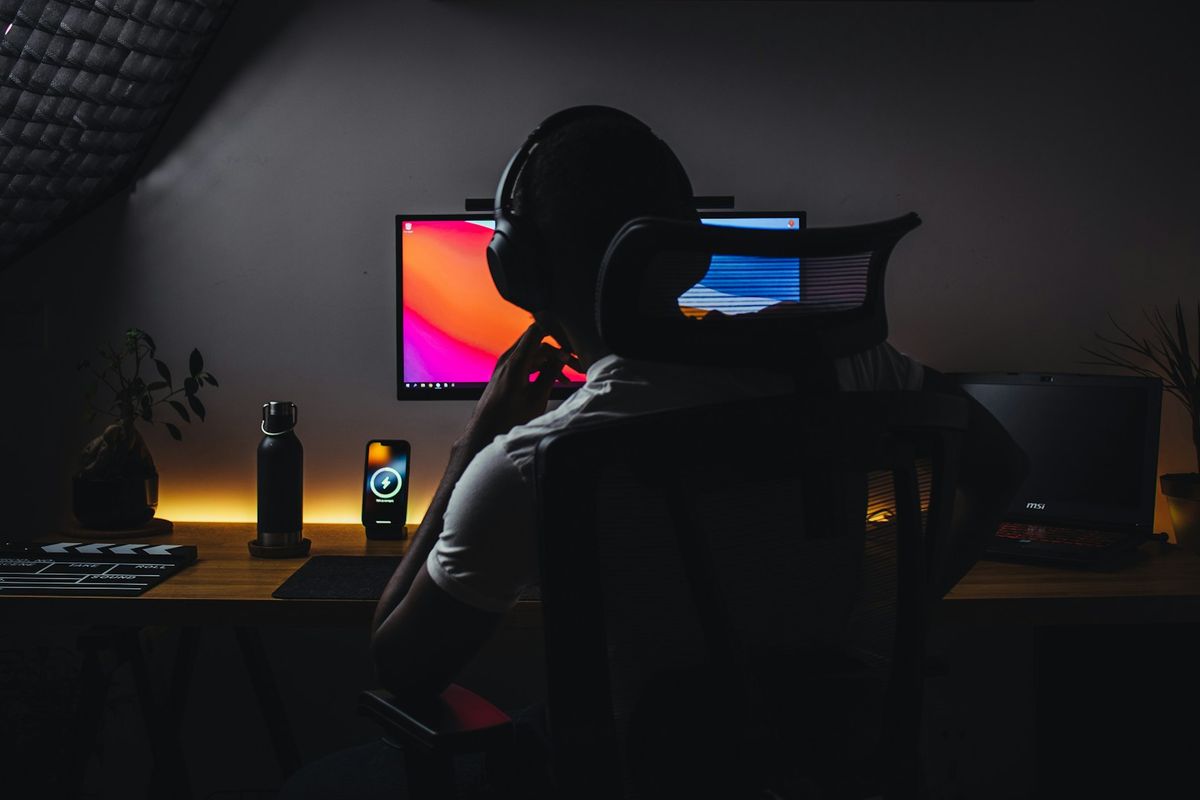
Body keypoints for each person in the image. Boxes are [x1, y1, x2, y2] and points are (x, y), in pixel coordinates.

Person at [283, 106, 1026, 798]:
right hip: (838, 753)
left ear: (517, 269)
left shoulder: (533, 461)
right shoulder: (858, 365)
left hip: (640, 772)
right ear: (687, 244)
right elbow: (1003, 470)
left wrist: (479, 435)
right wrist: (896, 619)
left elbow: (404, 664)